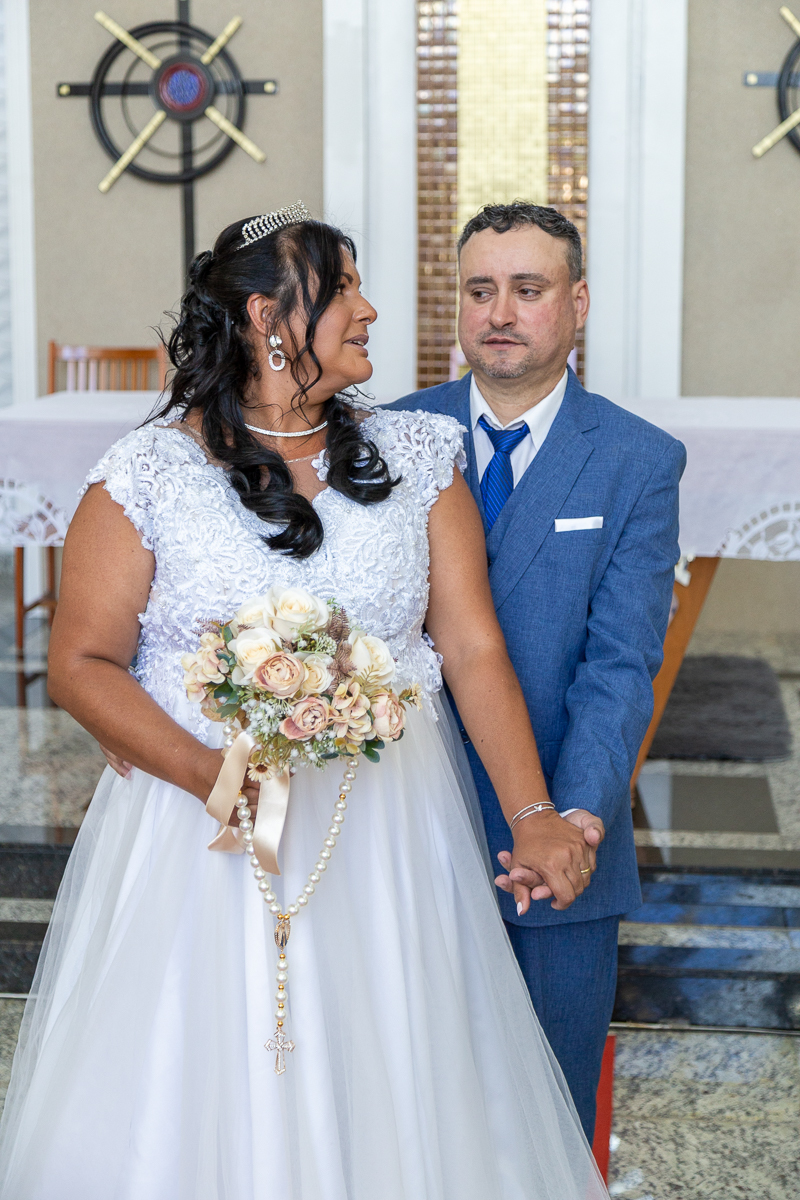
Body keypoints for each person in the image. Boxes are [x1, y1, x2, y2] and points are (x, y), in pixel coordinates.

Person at [0, 207, 607, 1199]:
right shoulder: (147, 473)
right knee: (199, 1067)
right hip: (197, 833)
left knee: (391, 1058)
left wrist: (534, 815)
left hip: (389, 829)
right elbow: (81, 662)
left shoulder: (416, 457)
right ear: (267, 318)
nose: (369, 310)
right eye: (345, 291)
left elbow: (468, 647)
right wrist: (214, 778)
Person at [387, 201, 685, 1140]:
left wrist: (576, 816)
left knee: (547, 1120)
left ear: (578, 301)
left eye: (528, 289)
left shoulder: (637, 459)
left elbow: (620, 659)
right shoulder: (386, 436)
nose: (500, 312)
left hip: (559, 840)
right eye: (480, 290)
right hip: (403, 835)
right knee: (406, 1107)